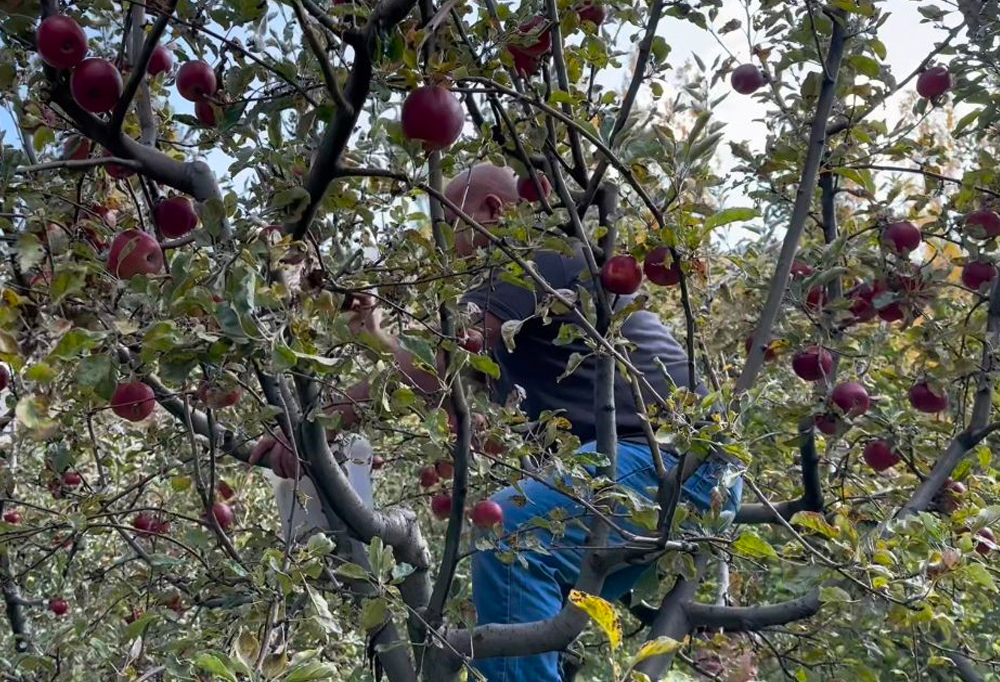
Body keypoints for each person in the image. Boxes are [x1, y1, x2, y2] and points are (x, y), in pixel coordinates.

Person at [252, 163, 743, 682]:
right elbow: (451, 387)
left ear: (490, 211)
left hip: (673, 464)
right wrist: (376, 336)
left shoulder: (524, 261)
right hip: (684, 483)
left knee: (511, 536)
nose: (446, 250)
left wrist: (311, 425)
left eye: (448, 226)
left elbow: (442, 360)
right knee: (526, 589)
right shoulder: (530, 312)